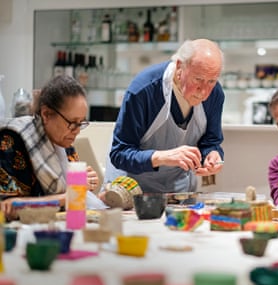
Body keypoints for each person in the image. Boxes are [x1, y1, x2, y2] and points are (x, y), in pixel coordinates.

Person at [109, 39, 225, 193]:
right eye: (198, 79)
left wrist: (212, 155)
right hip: (133, 189)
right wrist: (162, 157)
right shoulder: (144, 90)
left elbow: (211, 142)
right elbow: (120, 154)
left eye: (211, 81)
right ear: (179, 67)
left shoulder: (215, 94)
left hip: (179, 191)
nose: (204, 91)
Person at [0, 75, 103, 219]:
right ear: (46, 114)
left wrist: (87, 183)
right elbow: (7, 207)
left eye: (81, 123)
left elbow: (76, 196)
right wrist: (71, 195)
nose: (77, 130)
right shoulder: (12, 141)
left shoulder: (65, 144)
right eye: (72, 122)